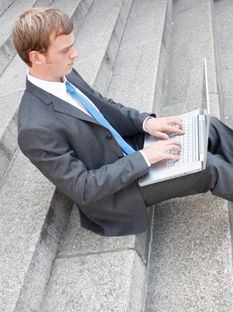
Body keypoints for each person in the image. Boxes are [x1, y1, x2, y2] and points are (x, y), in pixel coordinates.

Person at [12, 7, 233, 236]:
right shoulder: (34, 128)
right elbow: (84, 187)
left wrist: (145, 123)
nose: (75, 54)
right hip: (117, 190)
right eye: (65, 50)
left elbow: (103, 106)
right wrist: (146, 158)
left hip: (126, 147)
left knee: (207, 125)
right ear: (36, 57)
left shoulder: (64, 73)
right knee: (208, 166)